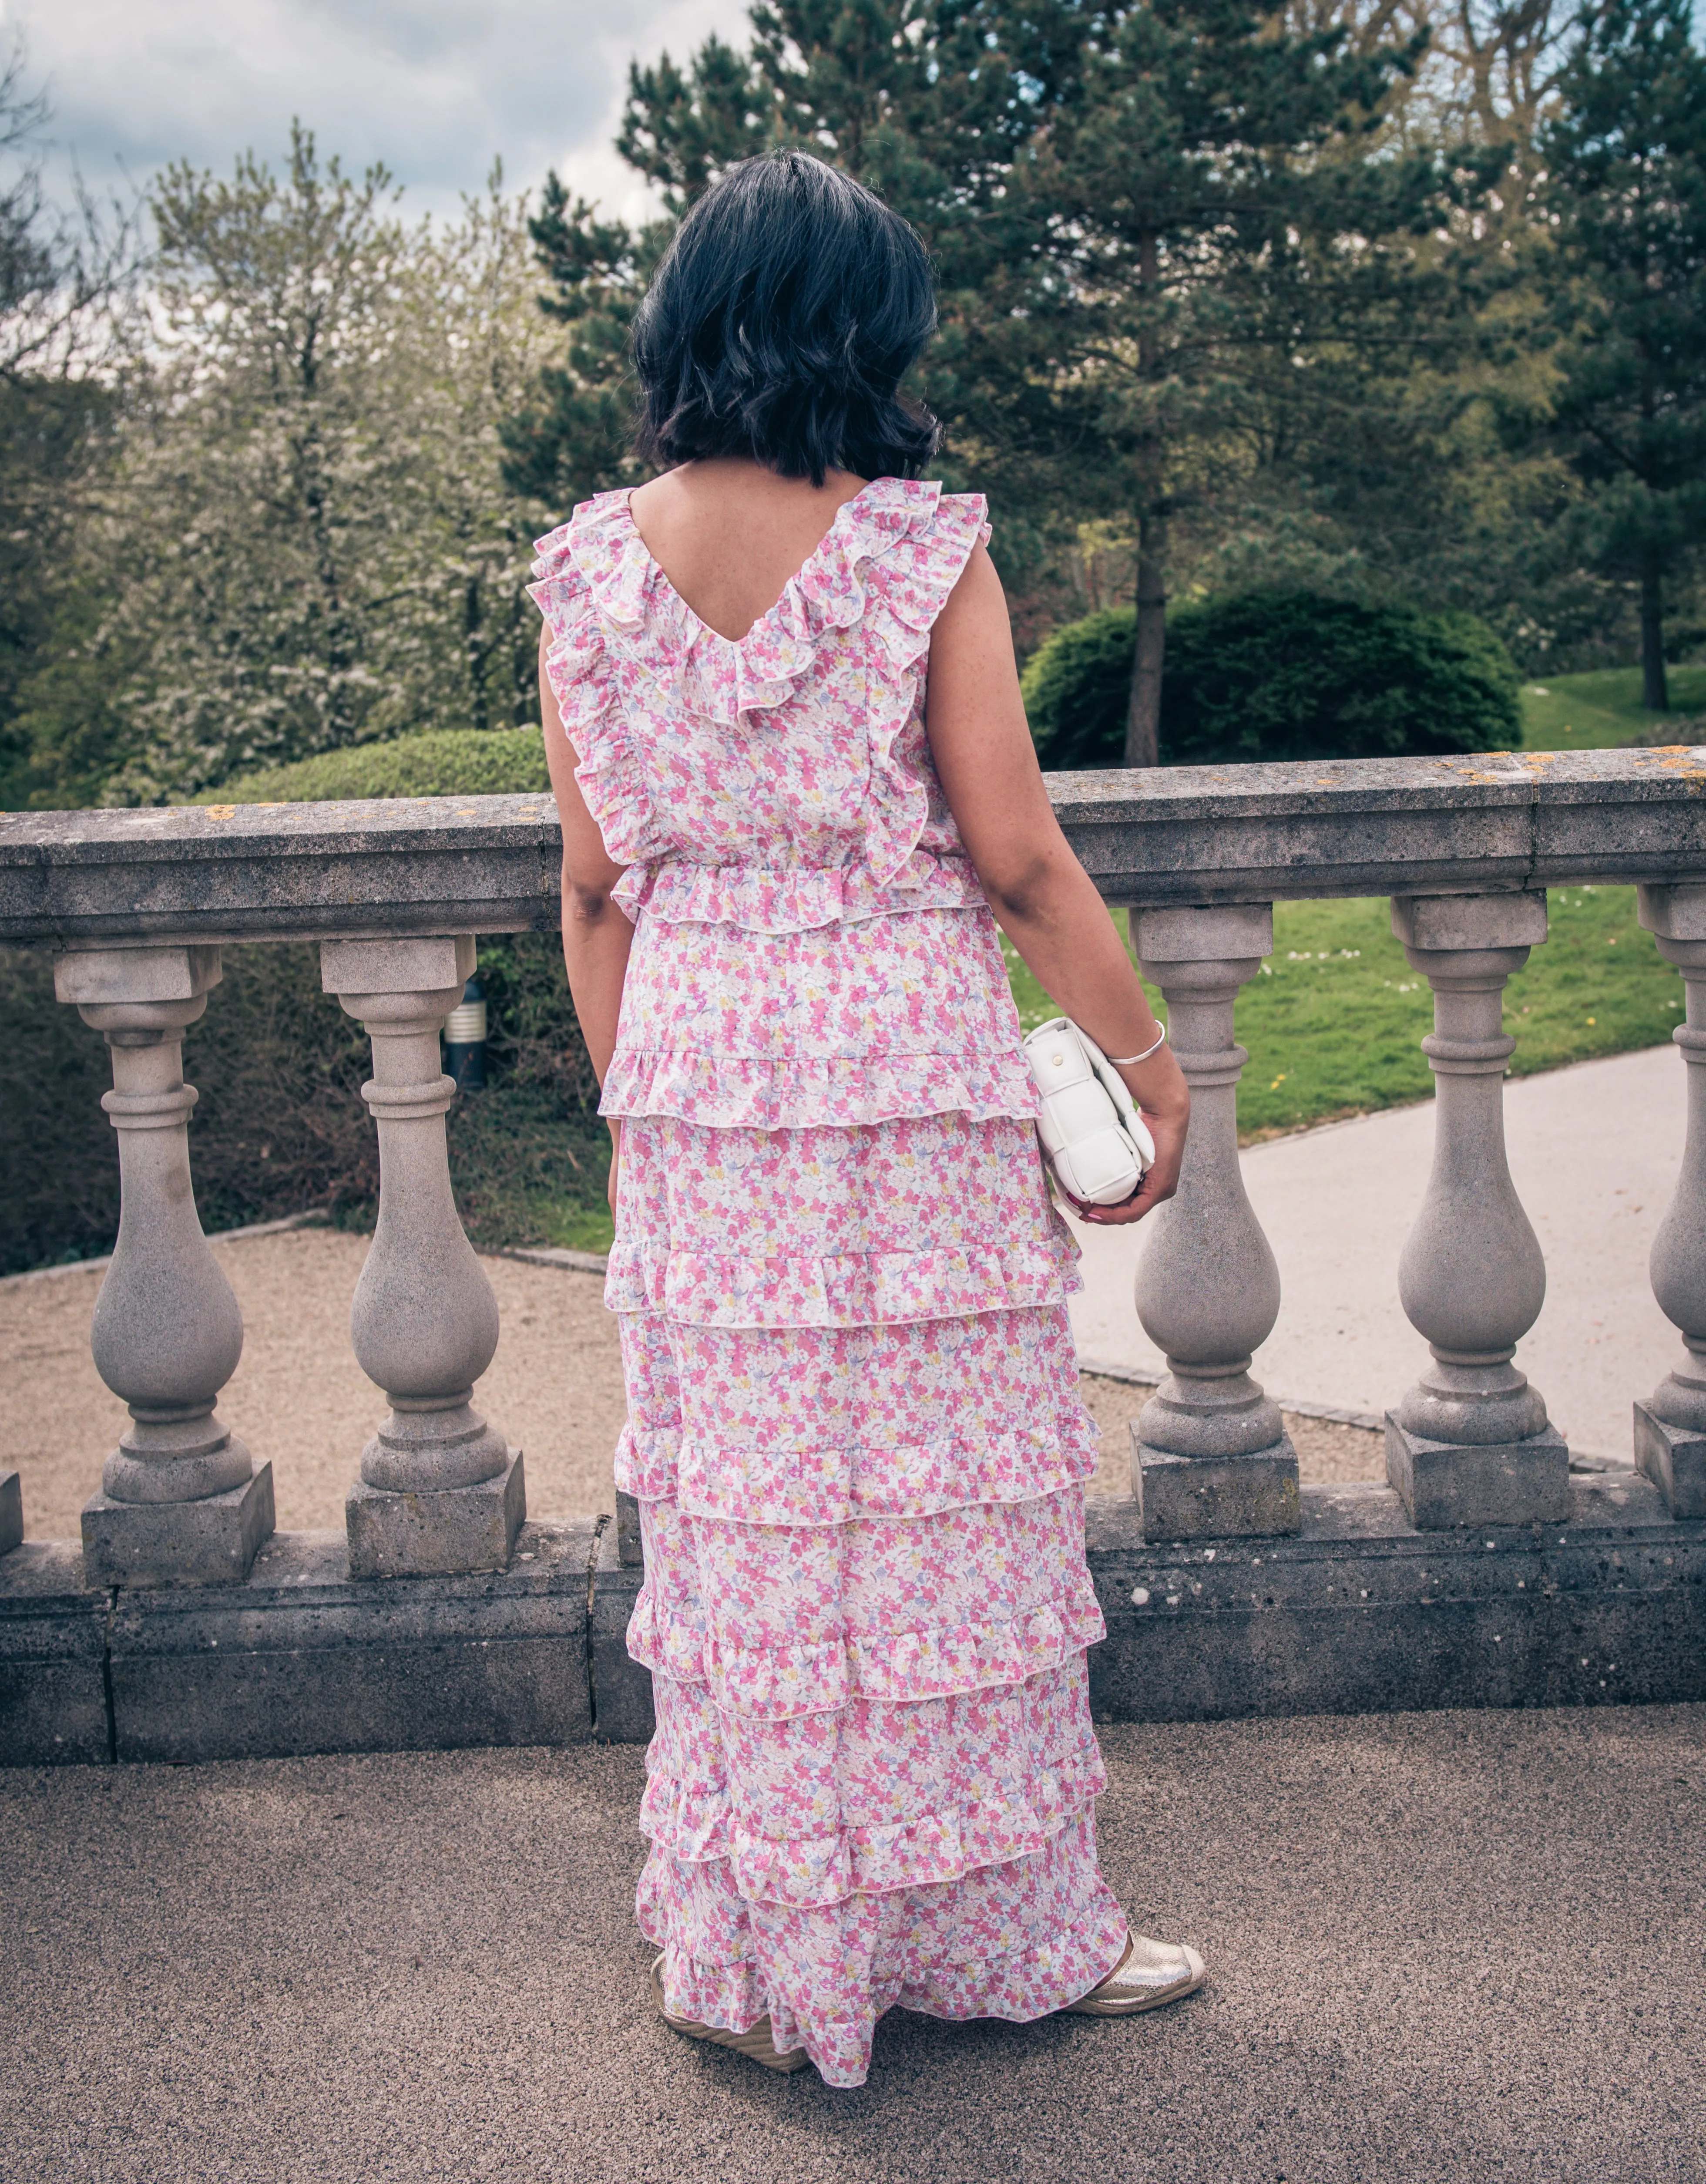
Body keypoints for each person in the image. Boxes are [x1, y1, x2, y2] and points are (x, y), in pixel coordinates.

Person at [531, 147, 1200, 2090]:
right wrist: (1150, 1077)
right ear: (858, 334)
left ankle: (755, 1948)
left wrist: (633, 1110)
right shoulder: (919, 545)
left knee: (748, 1534)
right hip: (900, 1069)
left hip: (703, 1083)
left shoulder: (582, 567)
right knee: (939, 1520)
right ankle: (994, 1938)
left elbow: (593, 888)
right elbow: (1015, 855)